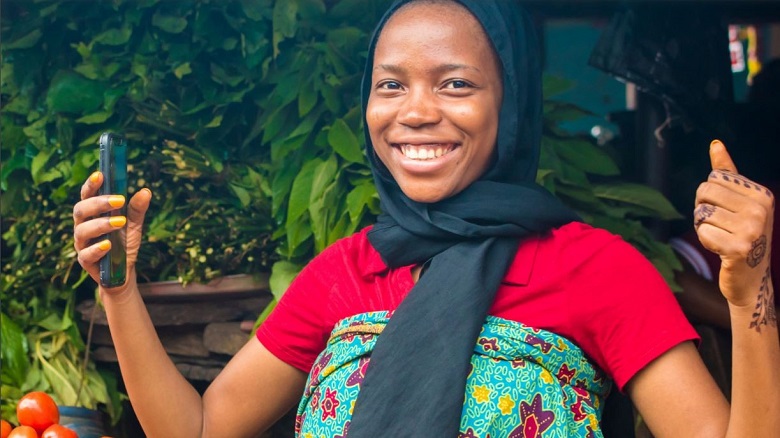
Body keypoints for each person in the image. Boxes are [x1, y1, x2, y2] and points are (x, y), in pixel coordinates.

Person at [72, 1, 778, 436]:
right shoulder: (346, 271)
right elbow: (199, 430)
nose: (414, 112)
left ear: (510, 104)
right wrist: (120, 289)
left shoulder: (594, 267)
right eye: (391, 85)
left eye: (455, 84)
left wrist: (750, 297)